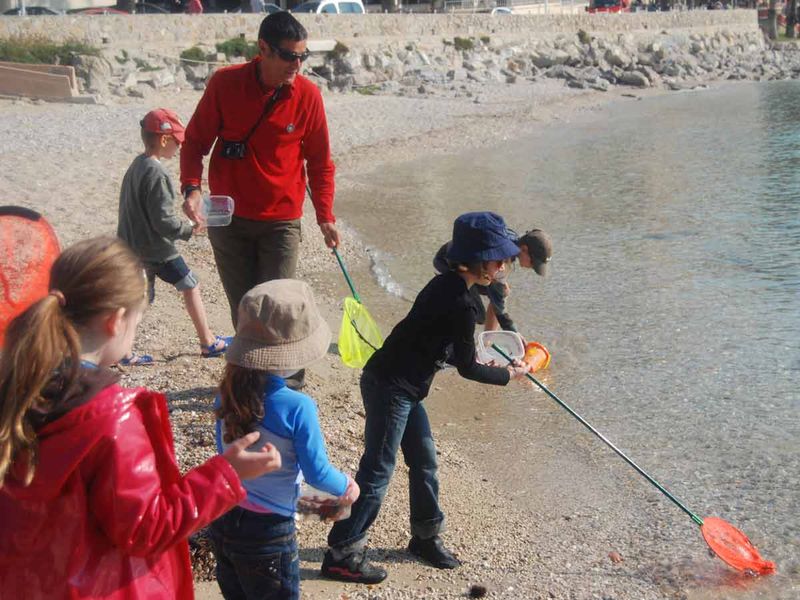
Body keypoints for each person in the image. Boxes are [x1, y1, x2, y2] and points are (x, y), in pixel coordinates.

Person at [0, 236, 282, 599]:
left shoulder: (16, 382)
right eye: (137, 322)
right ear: (116, 321)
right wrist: (228, 474)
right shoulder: (111, 418)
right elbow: (145, 527)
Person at [321, 212, 533, 584]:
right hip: (391, 386)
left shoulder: (448, 285)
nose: (503, 266)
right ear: (479, 260)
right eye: (498, 259)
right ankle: (342, 553)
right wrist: (509, 374)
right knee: (377, 471)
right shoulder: (460, 301)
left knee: (424, 461)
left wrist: (487, 359)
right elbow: (467, 367)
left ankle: (425, 537)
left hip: (403, 385)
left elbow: (446, 347)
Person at [180, 12, 339, 330]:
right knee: (244, 309)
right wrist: (191, 188)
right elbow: (195, 142)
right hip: (227, 219)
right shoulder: (225, 83)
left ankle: (283, 378)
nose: (297, 65)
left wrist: (326, 217)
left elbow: (321, 163)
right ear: (263, 48)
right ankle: (247, 379)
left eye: (302, 56)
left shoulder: (308, 95)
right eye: (289, 56)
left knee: (278, 309)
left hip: (281, 222)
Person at [210, 279, 359, 599]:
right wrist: (347, 486)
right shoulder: (298, 406)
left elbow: (226, 457)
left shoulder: (226, 395)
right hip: (268, 534)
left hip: (223, 520)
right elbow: (318, 473)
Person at [118, 108, 229, 363]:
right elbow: (164, 222)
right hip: (157, 250)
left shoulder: (137, 165)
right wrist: (190, 228)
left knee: (141, 299)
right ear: (164, 140)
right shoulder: (157, 174)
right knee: (189, 285)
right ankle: (208, 342)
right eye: (177, 141)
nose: (180, 147)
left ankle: (123, 351)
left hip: (132, 246)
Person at [433, 227, 553, 333]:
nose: (532, 267)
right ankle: (444, 327)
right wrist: (514, 333)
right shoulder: (503, 257)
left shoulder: (512, 241)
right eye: (533, 263)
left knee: (502, 291)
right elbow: (500, 307)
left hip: (466, 263)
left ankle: (487, 341)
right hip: (447, 263)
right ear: (524, 249)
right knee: (478, 314)